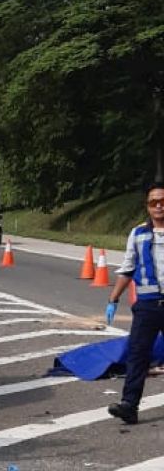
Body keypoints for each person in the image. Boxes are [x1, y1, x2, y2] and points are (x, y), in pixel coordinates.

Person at [106, 181, 164, 424]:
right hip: (148, 306)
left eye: (162, 201)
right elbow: (128, 268)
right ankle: (129, 405)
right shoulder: (138, 233)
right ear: (147, 206)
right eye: (153, 202)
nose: (159, 205)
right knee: (138, 355)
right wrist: (113, 298)